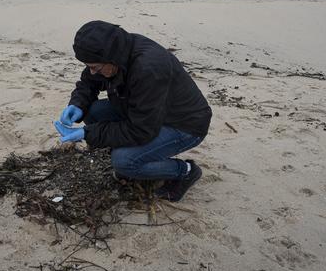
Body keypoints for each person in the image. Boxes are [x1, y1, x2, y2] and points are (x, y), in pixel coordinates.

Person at [53, 20, 212, 202]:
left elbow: (141, 130)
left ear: (110, 58)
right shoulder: (113, 49)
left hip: (184, 125)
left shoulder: (148, 68)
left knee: (124, 161)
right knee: (92, 112)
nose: (92, 72)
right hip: (143, 110)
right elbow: (89, 81)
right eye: (89, 66)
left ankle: (186, 172)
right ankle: (132, 159)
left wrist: (87, 133)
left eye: (95, 67)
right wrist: (78, 104)